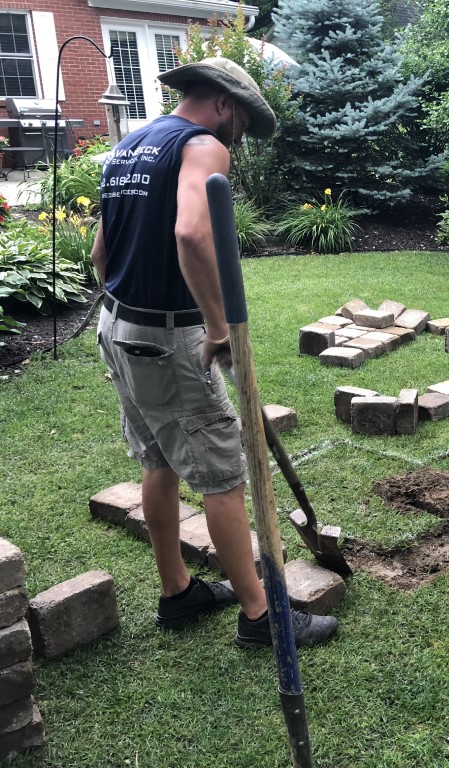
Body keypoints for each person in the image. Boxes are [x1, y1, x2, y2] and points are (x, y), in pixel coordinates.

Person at [91, 57, 337, 649]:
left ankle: (178, 593)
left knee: (159, 461)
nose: (240, 138)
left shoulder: (130, 147)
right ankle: (261, 615)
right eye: (243, 124)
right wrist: (217, 327)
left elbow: (100, 253)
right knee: (224, 475)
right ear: (224, 104)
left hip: (118, 325)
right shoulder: (203, 145)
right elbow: (191, 233)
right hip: (168, 338)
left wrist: (128, 311)